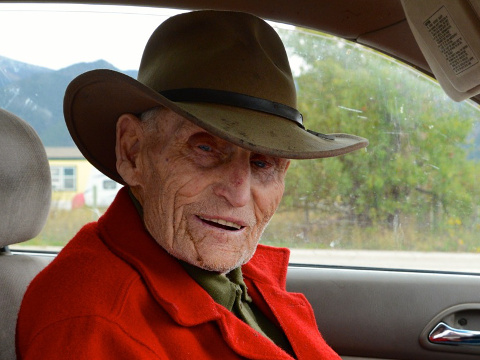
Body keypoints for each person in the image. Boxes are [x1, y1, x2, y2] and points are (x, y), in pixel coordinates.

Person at [17, 10, 368, 360]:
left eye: (263, 163)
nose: (239, 193)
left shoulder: (236, 276)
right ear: (133, 151)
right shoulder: (91, 325)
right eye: (205, 148)